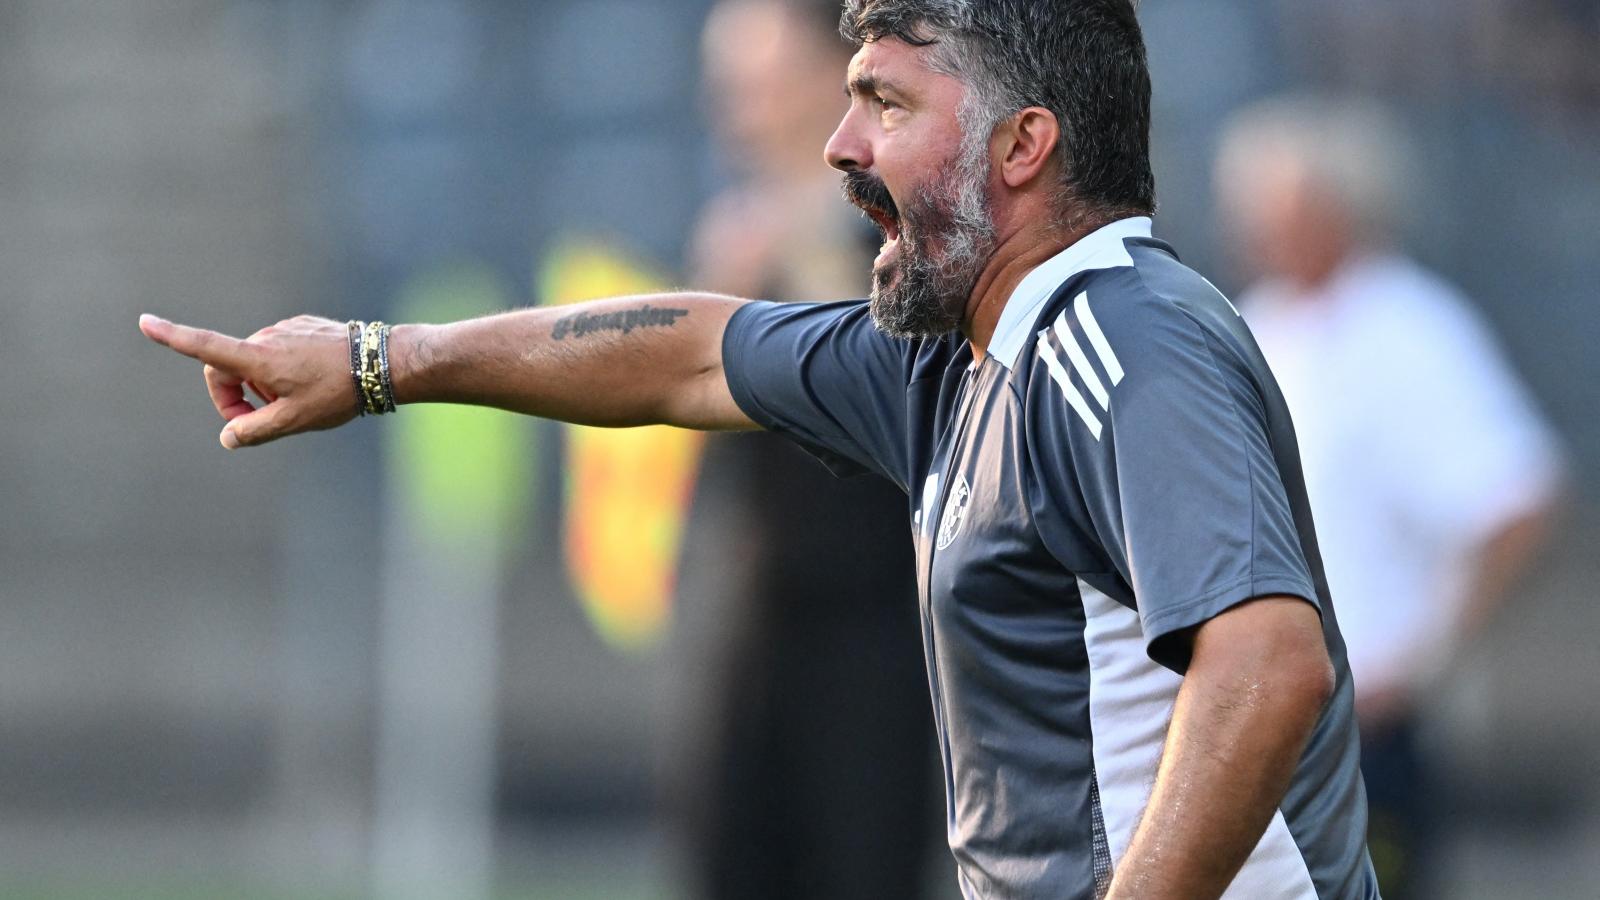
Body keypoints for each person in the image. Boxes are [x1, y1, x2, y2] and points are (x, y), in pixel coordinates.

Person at [140, 2, 1379, 897]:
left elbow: (1267, 665)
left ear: (1022, 146)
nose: (842, 146)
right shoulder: (951, 360)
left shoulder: (1125, 340)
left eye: (886, 103)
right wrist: (377, 363)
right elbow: (687, 353)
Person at [1215, 95, 1564, 899]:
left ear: (1338, 207)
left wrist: (1422, 657)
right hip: (1260, 724)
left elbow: (1519, 501)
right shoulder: (1258, 324)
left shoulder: (1409, 327)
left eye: (1275, 207)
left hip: (1364, 727)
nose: (1253, 229)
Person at [678, 1, 934, 897]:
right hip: (764, 608)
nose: (736, 105)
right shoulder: (733, 235)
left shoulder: (899, 229)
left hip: (881, 617)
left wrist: (789, 267)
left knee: (862, 861)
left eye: (760, 80)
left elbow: (890, 391)